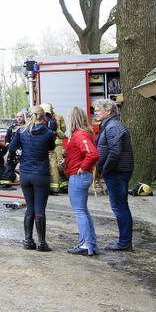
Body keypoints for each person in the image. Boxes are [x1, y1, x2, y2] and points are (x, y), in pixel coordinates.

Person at [7, 105, 57, 251]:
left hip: (25, 174)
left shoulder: (21, 131)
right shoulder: (48, 133)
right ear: (44, 117)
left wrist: (22, 154)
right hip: (41, 174)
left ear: (29, 116)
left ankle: (28, 241)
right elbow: (51, 148)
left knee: (30, 208)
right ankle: (42, 243)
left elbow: (11, 148)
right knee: (40, 209)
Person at [93, 98, 135, 251]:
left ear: (108, 111)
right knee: (120, 206)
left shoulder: (113, 127)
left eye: (98, 110)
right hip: (117, 171)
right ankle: (124, 240)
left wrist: (105, 169)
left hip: (117, 172)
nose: (95, 112)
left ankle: (124, 242)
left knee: (119, 207)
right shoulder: (110, 125)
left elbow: (115, 151)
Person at [63, 106, 100, 256]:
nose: (67, 119)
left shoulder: (80, 135)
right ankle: (90, 244)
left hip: (78, 176)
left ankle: (85, 245)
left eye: (69, 117)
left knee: (79, 211)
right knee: (83, 211)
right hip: (80, 175)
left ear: (73, 119)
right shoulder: (82, 134)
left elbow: (93, 154)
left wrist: (82, 167)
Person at [40, 103, 67, 194]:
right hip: (49, 144)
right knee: (53, 166)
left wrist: (56, 130)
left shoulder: (58, 117)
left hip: (56, 146)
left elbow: (63, 130)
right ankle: (56, 186)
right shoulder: (45, 118)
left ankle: (63, 185)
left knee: (58, 165)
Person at [1, 111, 26, 187]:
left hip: (24, 150)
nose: (19, 118)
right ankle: (7, 183)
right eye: (17, 117)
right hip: (13, 150)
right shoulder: (12, 127)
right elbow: (7, 138)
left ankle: (25, 183)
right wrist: (9, 146)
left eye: (20, 116)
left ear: (23, 117)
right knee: (10, 166)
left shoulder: (27, 126)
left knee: (25, 167)